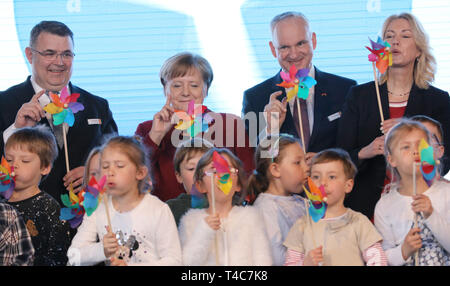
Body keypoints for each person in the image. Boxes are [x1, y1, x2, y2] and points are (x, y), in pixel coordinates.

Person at [0, 20, 118, 205]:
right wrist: (16, 129)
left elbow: (119, 161)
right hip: (24, 225)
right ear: (30, 55)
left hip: (89, 223)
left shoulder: (98, 106)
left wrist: (97, 172)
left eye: (66, 54)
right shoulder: (5, 103)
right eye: (50, 53)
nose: (59, 62)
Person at [136, 52, 254, 202]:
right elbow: (134, 178)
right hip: (167, 217)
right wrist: (155, 136)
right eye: (177, 85)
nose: (185, 92)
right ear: (165, 89)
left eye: (194, 85)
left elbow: (248, 177)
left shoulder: (230, 124)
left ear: (206, 89)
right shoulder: (147, 129)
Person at [242, 11, 356, 163]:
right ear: (272, 49)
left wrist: (325, 161)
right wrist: (271, 129)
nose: (294, 54)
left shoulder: (345, 89)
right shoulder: (255, 97)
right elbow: (256, 163)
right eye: (284, 47)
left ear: (313, 40)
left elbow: (355, 150)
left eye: (301, 43)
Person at [67, 136, 182, 266]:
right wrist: (101, 249)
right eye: (105, 166)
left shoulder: (158, 210)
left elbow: (174, 261)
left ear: (140, 172)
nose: (110, 172)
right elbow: (73, 258)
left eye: (119, 165)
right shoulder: (98, 208)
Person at [284, 149, 387, 266]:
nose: (322, 182)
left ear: (348, 185)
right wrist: (304, 264)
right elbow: (290, 263)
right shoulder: (302, 225)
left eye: (331, 177)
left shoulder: (359, 222)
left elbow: (377, 259)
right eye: (316, 177)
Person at [374, 119, 450, 266]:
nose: (415, 151)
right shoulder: (385, 205)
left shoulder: (446, 193)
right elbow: (384, 258)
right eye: (406, 147)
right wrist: (403, 250)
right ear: (392, 159)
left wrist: (431, 214)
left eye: (421, 145)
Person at [179, 148, 273, 266]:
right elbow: (188, 263)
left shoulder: (251, 217)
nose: (221, 176)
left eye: (227, 170)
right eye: (214, 171)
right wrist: (204, 230)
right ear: (200, 185)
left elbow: (263, 260)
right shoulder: (190, 221)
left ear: (238, 184)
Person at [4, 125, 71, 266]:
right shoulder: (2, 204)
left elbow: (58, 255)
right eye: (9, 160)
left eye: (25, 161)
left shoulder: (49, 207)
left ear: (45, 168)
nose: (14, 165)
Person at [249, 134, 307, 265]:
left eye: (305, 161)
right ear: (275, 169)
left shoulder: (301, 201)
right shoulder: (266, 208)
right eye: (298, 163)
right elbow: (276, 258)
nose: (306, 168)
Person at [166, 137, 213, 226]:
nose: (199, 173)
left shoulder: (227, 203)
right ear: (179, 176)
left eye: (206, 167)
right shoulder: (170, 209)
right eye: (191, 169)